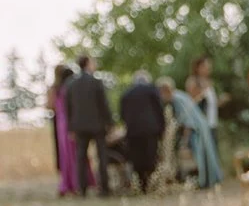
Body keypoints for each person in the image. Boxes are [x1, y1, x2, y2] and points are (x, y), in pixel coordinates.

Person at [64, 54, 113, 196]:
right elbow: (104, 105)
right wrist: (110, 123)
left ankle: (82, 188)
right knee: (102, 156)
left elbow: (68, 109)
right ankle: (104, 188)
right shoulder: (96, 82)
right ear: (87, 64)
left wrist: (70, 128)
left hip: (79, 126)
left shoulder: (71, 84)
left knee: (81, 158)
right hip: (97, 125)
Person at [119, 71, 166, 193]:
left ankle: (142, 184)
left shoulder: (126, 94)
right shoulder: (152, 90)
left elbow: (122, 115)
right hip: (151, 130)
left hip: (133, 131)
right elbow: (159, 110)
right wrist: (162, 129)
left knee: (137, 159)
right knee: (151, 156)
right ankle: (150, 183)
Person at [170, 84, 223, 189]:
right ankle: (209, 180)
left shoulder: (176, 99)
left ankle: (203, 182)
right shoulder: (180, 95)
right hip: (201, 126)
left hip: (196, 130)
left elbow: (188, 122)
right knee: (207, 155)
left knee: (200, 158)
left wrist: (184, 141)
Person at [47, 63, 82, 196]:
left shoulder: (55, 89)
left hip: (61, 123)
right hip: (72, 122)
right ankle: (76, 182)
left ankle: (68, 182)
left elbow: (50, 106)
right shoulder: (70, 88)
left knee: (65, 154)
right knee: (74, 153)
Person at [186, 56, 220, 151]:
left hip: (212, 123)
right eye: (205, 66)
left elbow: (212, 104)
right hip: (200, 125)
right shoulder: (193, 81)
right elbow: (192, 102)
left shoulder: (210, 82)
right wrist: (202, 90)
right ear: (198, 67)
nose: (208, 68)